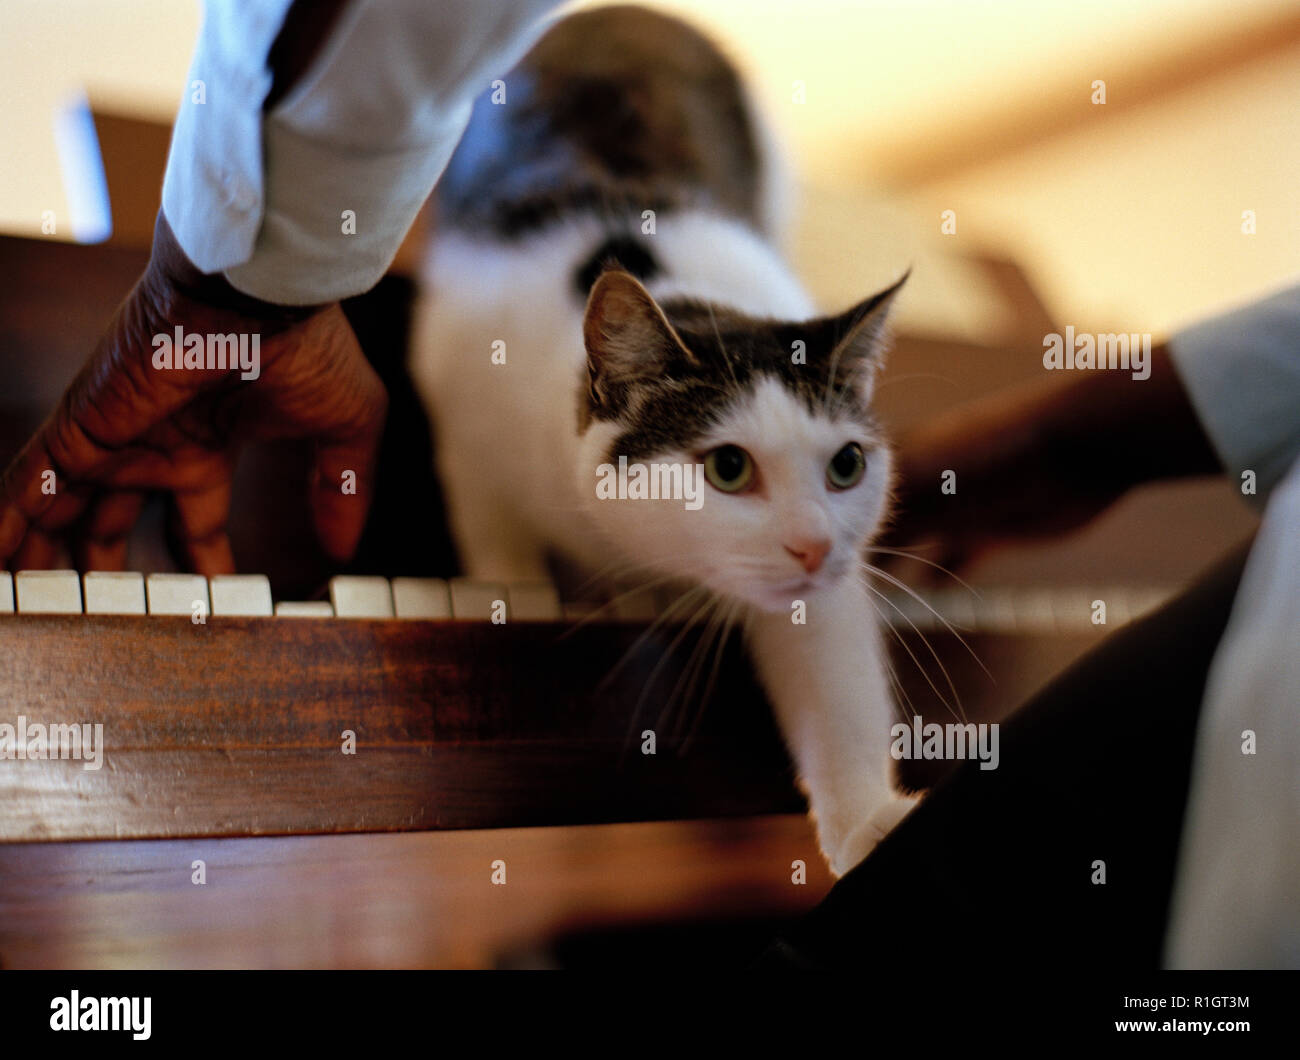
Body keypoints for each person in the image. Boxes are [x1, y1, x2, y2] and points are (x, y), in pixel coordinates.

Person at [1, 0, 1295, 968]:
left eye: (850, 468)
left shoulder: (788, 341)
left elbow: (817, 591)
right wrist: (511, 581)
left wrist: (854, 799)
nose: (815, 542)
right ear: (610, 398)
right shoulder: (515, 354)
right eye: (732, 469)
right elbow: (455, 352)